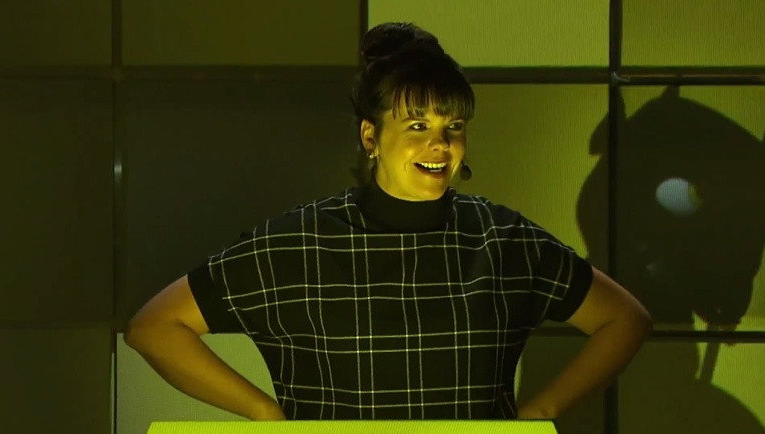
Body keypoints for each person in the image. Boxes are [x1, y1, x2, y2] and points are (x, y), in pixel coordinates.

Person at [124, 22, 652, 421]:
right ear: (371, 136)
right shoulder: (298, 242)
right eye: (417, 125)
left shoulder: (503, 238)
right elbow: (154, 328)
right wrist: (269, 417)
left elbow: (625, 319)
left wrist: (538, 415)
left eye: (453, 126)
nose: (440, 145)